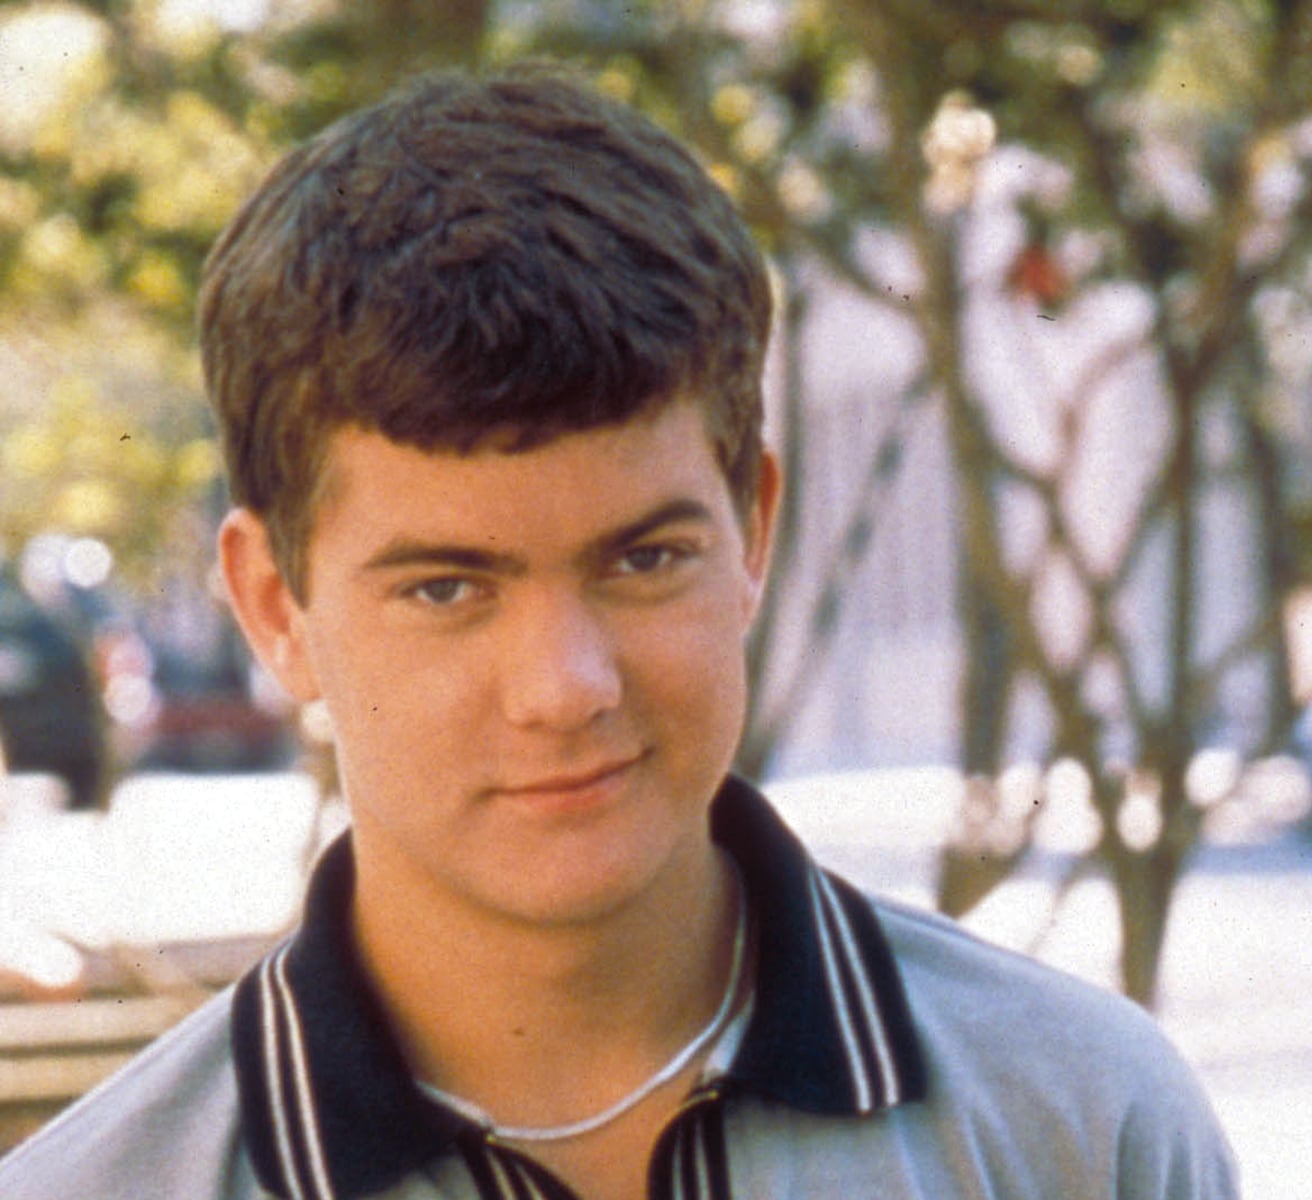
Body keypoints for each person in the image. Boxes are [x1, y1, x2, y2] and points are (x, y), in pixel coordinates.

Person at [0, 66, 1236, 1200]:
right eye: (446, 588)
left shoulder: (1084, 1129)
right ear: (277, 606)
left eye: (644, 560)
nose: (565, 686)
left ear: (752, 532)